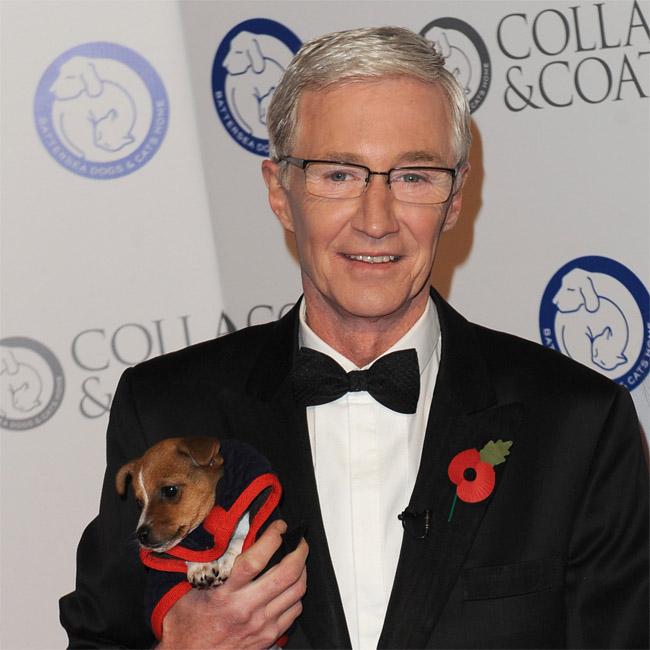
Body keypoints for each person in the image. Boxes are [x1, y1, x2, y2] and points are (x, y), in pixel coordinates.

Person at [60, 26, 649, 649]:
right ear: (279, 192)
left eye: (414, 177)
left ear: (454, 198)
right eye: (339, 175)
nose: (376, 220)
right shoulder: (164, 407)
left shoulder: (578, 424)